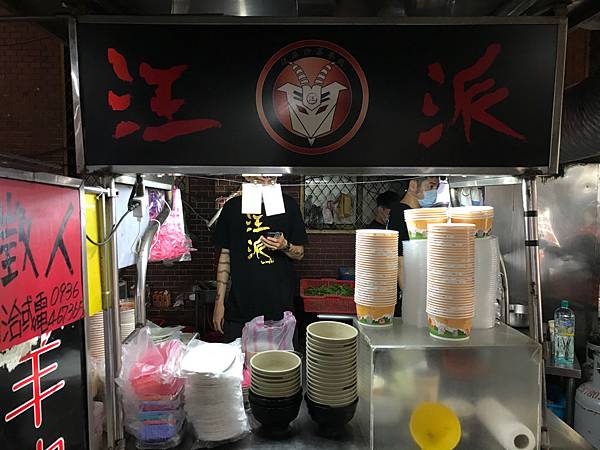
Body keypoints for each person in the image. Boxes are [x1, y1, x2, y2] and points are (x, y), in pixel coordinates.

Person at [212, 176, 308, 342]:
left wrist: (285, 245)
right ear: (247, 175)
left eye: (270, 172)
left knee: (281, 358)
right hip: (239, 309)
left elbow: (299, 253)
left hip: (279, 309)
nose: (265, 175)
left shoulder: (289, 205)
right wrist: (219, 303)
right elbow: (225, 255)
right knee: (238, 356)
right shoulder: (232, 207)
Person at [387, 177, 439, 292]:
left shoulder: (413, 215)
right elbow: (400, 261)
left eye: (436, 188)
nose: (434, 192)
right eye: (431, 186)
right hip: (409, 288)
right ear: (413, 185)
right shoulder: (401, 214)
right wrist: (409, 295)